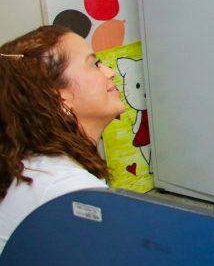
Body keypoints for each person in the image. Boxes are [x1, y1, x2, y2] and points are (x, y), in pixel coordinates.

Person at [0, 25, 125, 254]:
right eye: (94, 64)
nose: (110, 72)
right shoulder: (71, 192)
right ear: (60, 97)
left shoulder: (31, 166)